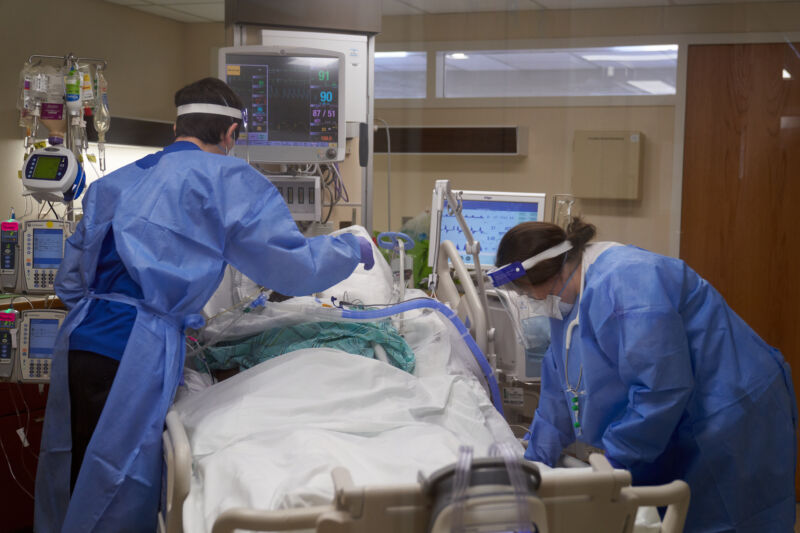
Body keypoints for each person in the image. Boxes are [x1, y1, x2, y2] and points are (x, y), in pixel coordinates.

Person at [34, 77, 375, 532]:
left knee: (71, 470)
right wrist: (350, 247)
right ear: (231, 134)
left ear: (178, 126)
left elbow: (72, 279)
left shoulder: (118, 180)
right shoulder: (228, 180)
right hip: (134, 347)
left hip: (79, 338)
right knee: (115, 484)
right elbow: (292, 268)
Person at [491, 218, 797, 533]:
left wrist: (613, 464)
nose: (531, 303)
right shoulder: (565, 304)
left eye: (528, 293)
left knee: (731, 519)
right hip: (678, 421)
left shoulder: (628, 281)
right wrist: (533, 463)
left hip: (732, 413)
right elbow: (559, 394)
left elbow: (660, 389)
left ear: (552, 271)